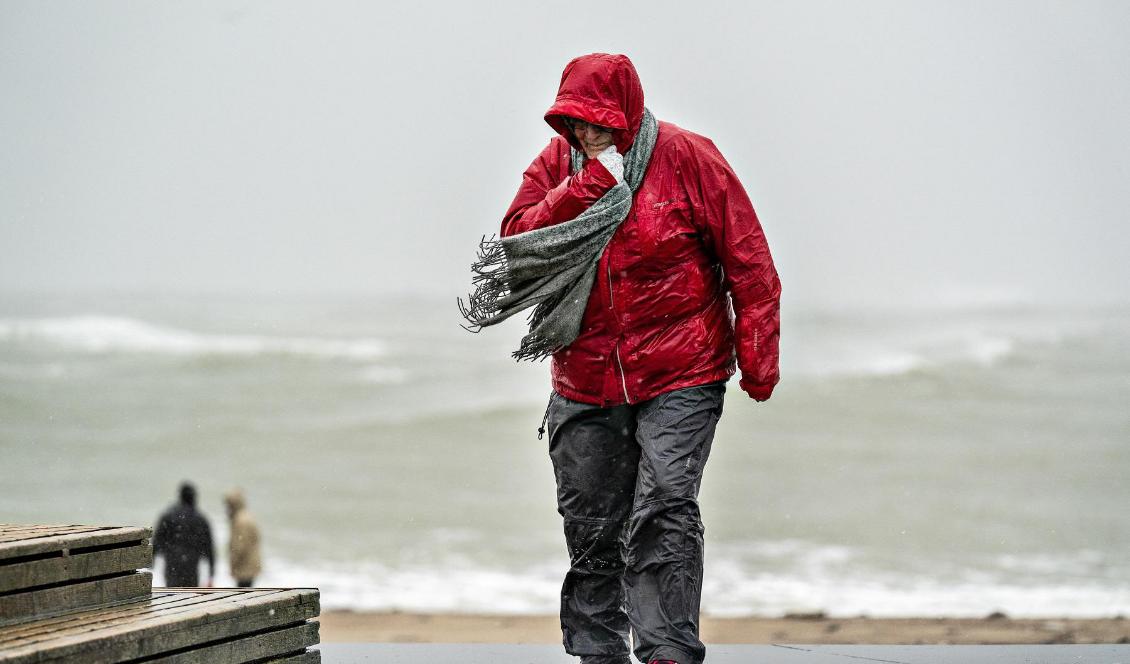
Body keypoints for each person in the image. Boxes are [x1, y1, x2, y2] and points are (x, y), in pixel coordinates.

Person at [496, 54, 781, 664]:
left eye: (599, 123)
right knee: (593, 524)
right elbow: (518, 242)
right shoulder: (557, 165)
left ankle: (666, 650)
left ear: (627, 115)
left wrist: (758, 357)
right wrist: (583, 188)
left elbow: (749, 260)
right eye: (575, 124)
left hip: (683, 369)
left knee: (665, 504)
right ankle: (599, 653)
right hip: (584, 376)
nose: (587, 135)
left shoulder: (688, 157)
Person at [153, 481, 215, 587]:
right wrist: (211, 572)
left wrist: (152, 560)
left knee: (171, 597)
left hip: (172, 564)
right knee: (190, 598)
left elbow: (158, 540)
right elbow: (209, 547)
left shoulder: (168, 516)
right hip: (191, 567)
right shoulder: (200, 519)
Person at [223, 488, 262, 588]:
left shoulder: (240, 521)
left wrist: (233, 564)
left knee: (242, 596)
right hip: (251, 564)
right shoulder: (247, 516)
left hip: (245, 567)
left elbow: (240, 546)